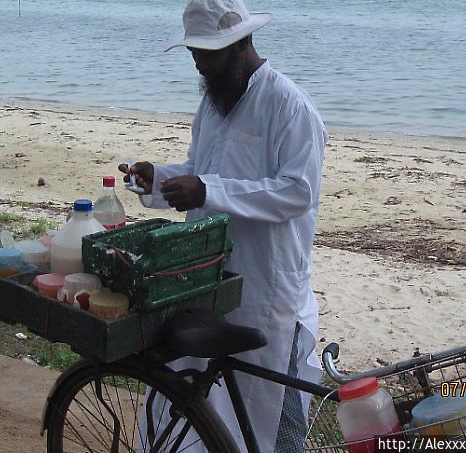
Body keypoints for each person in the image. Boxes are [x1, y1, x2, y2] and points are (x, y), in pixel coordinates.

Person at [119, 0, 327, 450]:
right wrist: (162, 180)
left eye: (209, 54)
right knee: (194, 401)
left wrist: (207, 191)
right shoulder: (213, 104)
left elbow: (296, 193)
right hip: (209, 276)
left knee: (273, 412)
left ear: (243, 42)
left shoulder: (288, 105)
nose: (200, 63)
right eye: (195, 53)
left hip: (266, 284)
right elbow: (200, 168)